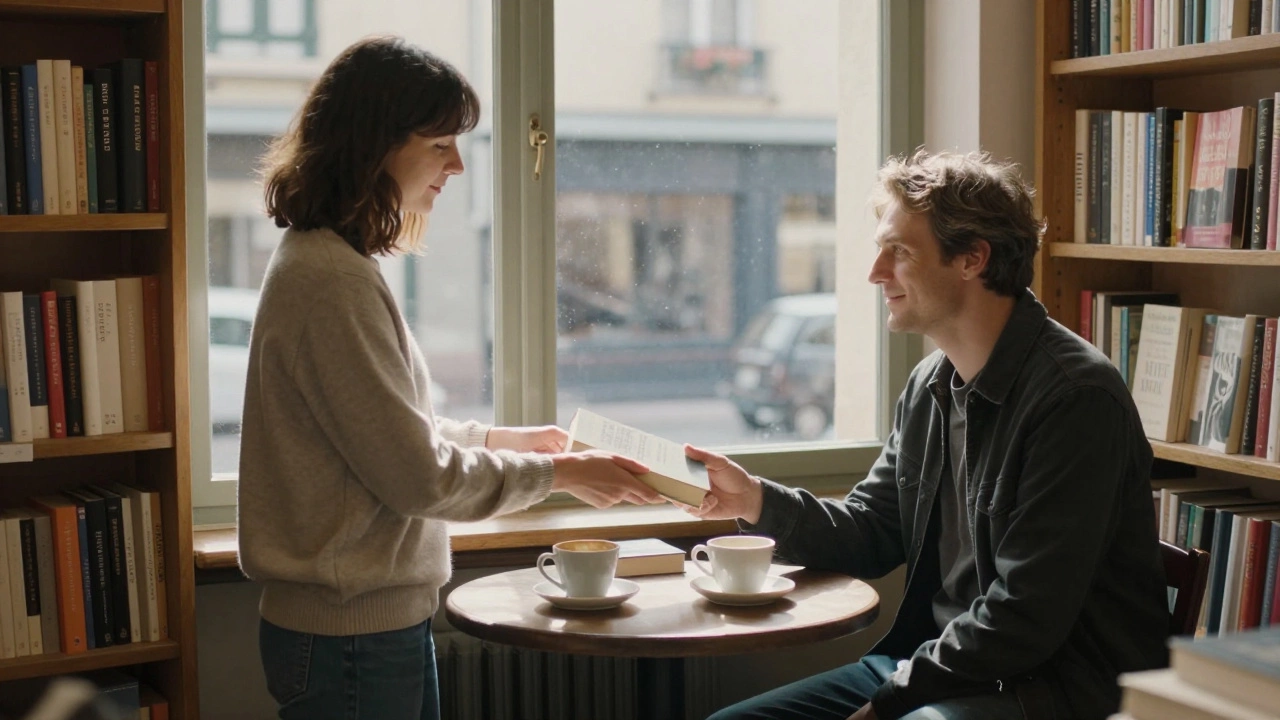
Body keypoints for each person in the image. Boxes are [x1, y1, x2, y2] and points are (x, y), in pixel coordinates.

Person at [236, 36, 663, 720]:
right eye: (440, 145)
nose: (458, 165)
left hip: (360, 630)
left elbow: (383, 434)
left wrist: (502, 439)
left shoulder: (330, 264)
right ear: (376, 145)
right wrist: (565, 476)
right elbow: (419, 478)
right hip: (353, 639)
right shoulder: (330, 282)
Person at [687, 150, 1169, 720]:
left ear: (972, 259)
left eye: (900, 252)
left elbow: (1025, 617)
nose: (875, 273)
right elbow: (872, 531)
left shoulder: (1076, 399)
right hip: (939, 667)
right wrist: (755, 500)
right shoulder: (930, 383)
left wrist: (891, 701)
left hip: (1052, 686)